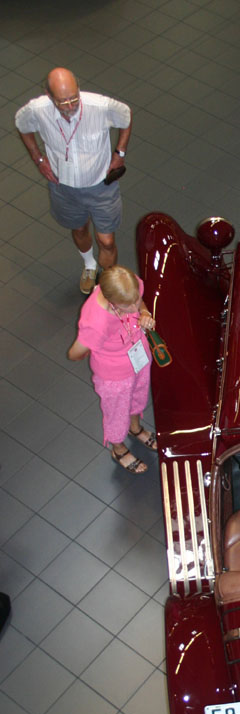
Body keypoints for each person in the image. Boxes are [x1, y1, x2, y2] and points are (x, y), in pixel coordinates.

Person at [15, 68, 132, 295]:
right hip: (63, 186)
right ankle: (89, 265)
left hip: (101, 186)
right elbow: (22, 126)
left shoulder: (100, 106)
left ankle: (107, 287)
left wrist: (120, 152)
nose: (70, 107)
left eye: (74, 99)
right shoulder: (37, 110)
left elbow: (126, 117)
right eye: (62, 102)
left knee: (106, 240)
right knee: (79, 229)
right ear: (49, 96)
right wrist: (38, 158)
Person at [68, 266, 157, 474]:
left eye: (136, 299)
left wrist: (143, 312)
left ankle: (135, 428)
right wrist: (91, 347)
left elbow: (139, 303)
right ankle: (118, 448)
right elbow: (75, 352)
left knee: (139, 394)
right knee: (117, 412)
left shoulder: (128, 286)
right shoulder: (95, 321)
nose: (135, 305)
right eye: (129, 304)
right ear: (112, 301)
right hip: (115, 376)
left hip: (139, 356)